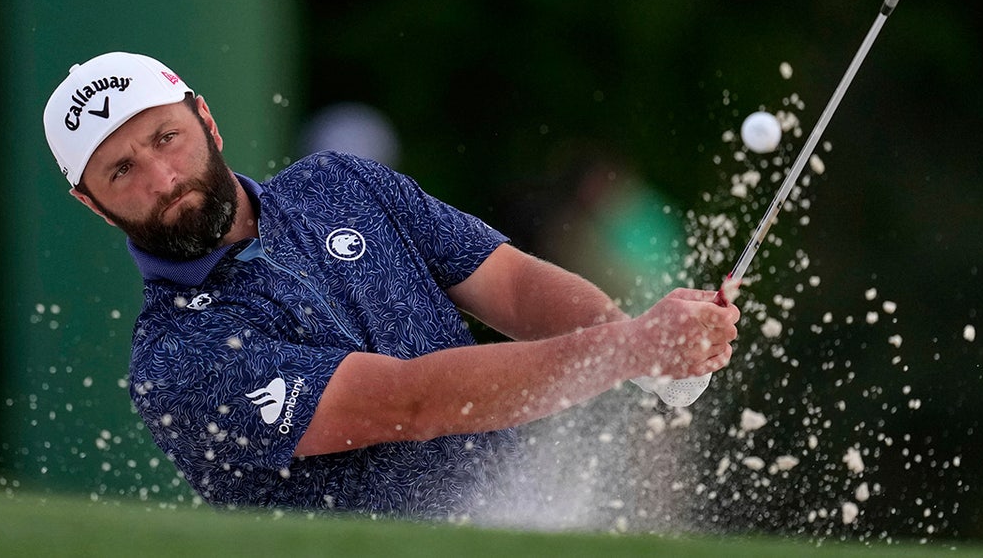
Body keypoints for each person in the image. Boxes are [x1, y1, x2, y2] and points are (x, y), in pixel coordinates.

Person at [42, 51, 739, 517]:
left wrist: (635, 343)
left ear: (207, 121)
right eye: (120, 170)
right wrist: (629, 349)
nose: (163, 179)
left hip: (523, 521)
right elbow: (411, 403)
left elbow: (516, 288)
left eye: (166, 138)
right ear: (90, 202)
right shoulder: (174, 359)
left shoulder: (338, 183)